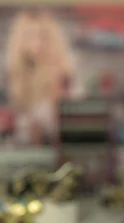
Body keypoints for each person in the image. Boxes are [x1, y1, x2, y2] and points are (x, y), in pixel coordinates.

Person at [5, 9, 82, 146]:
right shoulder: (17, 76)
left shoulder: (64, 74)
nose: (37, 43)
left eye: (43, 36)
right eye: (29, 36)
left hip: (61, 149)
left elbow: (73, 123)